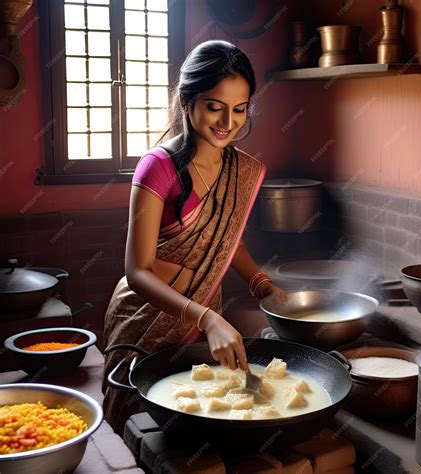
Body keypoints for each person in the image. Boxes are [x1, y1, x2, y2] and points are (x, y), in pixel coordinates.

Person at [102, 39, 286, 433]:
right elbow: (137, 271)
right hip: (147, 319)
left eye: (239, 109)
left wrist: (262, 284)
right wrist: (207, 319)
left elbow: (225, 240)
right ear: (188, 101)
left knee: (198, 414)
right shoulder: (157, 167)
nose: (227, 122)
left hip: (203, 319)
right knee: (137, 423)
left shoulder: (240, 169)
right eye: (214, 107)